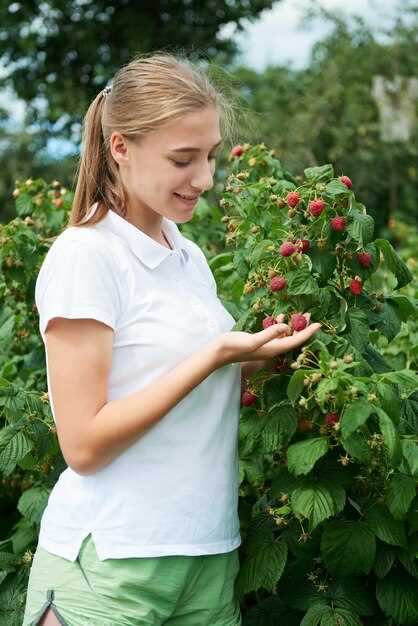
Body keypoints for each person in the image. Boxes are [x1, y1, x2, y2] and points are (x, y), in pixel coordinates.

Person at [22, 51, 321, 626]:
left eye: (208, 156)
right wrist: (214, 354)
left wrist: (258, 356)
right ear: (121, 148)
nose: (205, 179)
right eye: (183, 159)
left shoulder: (187, 255)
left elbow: (184, 392)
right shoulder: (87, 256)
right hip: (111, 562)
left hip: (207, 555)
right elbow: (83, 445)